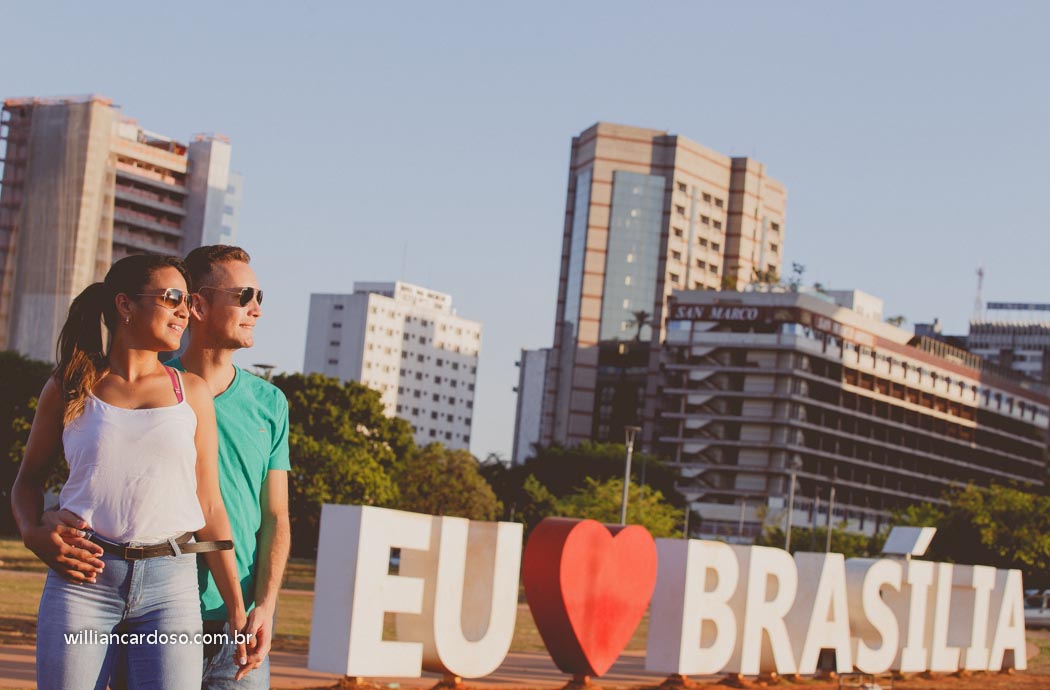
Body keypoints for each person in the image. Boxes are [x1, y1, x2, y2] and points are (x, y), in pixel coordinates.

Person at [12, 254, 248, 690]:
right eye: (172, 297)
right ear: (125, 305)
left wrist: (236, 606)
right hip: (82, 581)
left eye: (189, 300)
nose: (184, 310)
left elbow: (210, 504)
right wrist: (31, 531)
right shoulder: (70, 385)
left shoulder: (191, 392)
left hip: (171, 588)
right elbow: (26, 481)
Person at [173, 244, 290, 688]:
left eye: (261, 297)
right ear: (198, 305)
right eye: (244, 296)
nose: (256, 309)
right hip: (156, 613)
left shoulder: (270, 403)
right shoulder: (149, 385)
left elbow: (276, 516)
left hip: (237, 627)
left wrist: (266, 605)